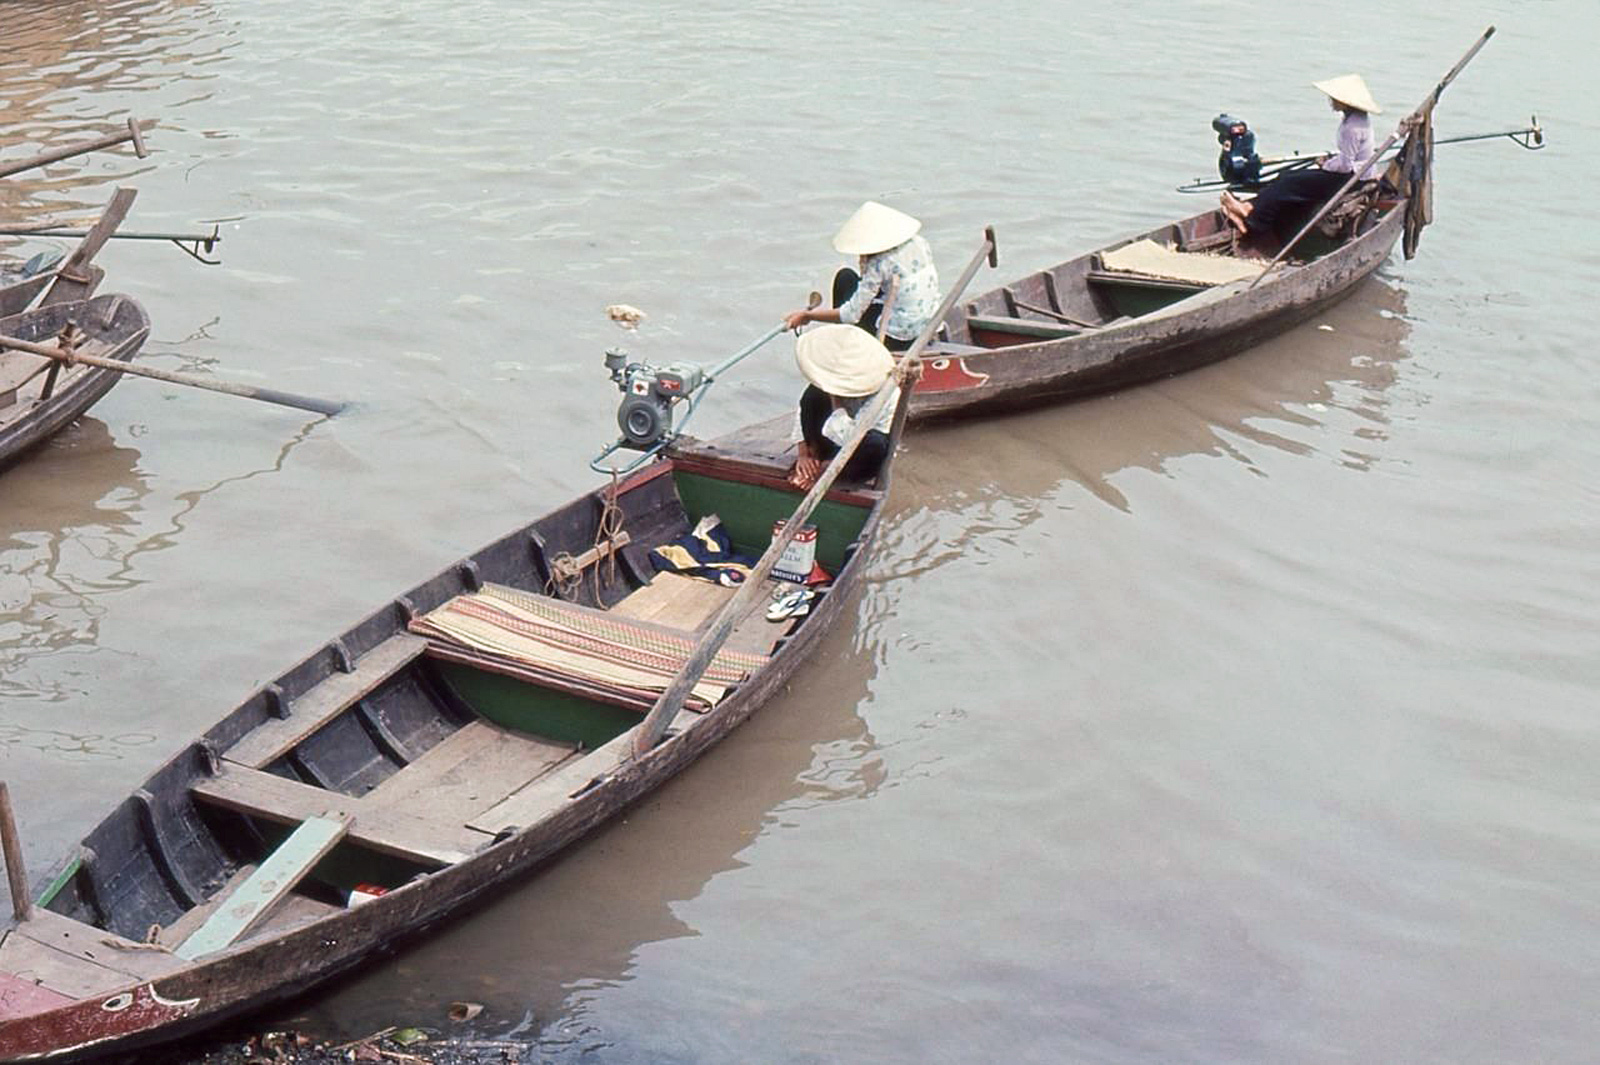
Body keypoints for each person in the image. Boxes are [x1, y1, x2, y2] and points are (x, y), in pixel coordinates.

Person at [1220, 74, 1384, 248]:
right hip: (1352, 173)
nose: (1331, 100)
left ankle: (1256, 221)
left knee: (1291, 182)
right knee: (1286, 176)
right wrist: (1329, 162)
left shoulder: (1352, 127)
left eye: (1335, 98)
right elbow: (1348, 157)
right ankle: (1248, 207)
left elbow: (1345, 165)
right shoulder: (1356, 119)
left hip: (1351, 179)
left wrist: (1325, 165)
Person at [783, 201, 940, 352]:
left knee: (844, 278)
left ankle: (848, 347)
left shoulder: (880, 263)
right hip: (927, 326)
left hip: (895, 338)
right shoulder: (920, 242)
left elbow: (850, 314)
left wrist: (808, 315)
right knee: (854, 281)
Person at [788, 323, 898, 489]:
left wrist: (836, 402)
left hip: (857, 450)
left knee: (875, 443)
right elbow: (803, 411)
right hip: (830, 436)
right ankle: (815, 456)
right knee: (812, 395)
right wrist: (804, 453)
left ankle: (827, 469)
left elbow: (853, 439)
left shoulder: (885, 392)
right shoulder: (826, 379)